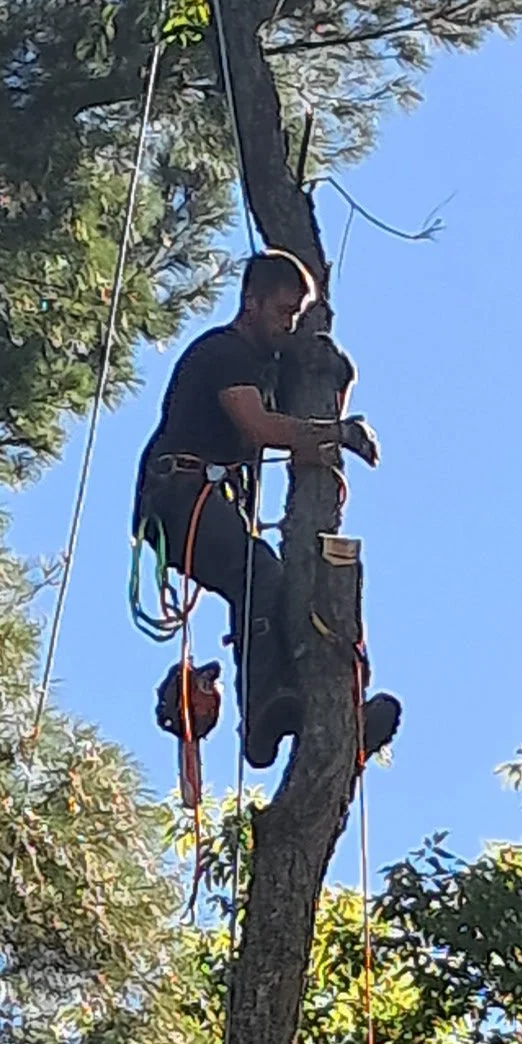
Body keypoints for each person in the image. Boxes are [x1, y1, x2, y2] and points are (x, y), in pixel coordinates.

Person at [133, 249, 401, 769]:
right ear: (250, 302)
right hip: (178, 496)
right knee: (256, 570)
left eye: (296, 314)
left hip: (208, 502)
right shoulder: (224, 353)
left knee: (274, 583)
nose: (288, 323)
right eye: (282, 311)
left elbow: (296, 416)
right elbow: (260, 427)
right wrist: (338, 433)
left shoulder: (266, 367)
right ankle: (260, 711)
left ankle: (306, 706)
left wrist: (337, 378)